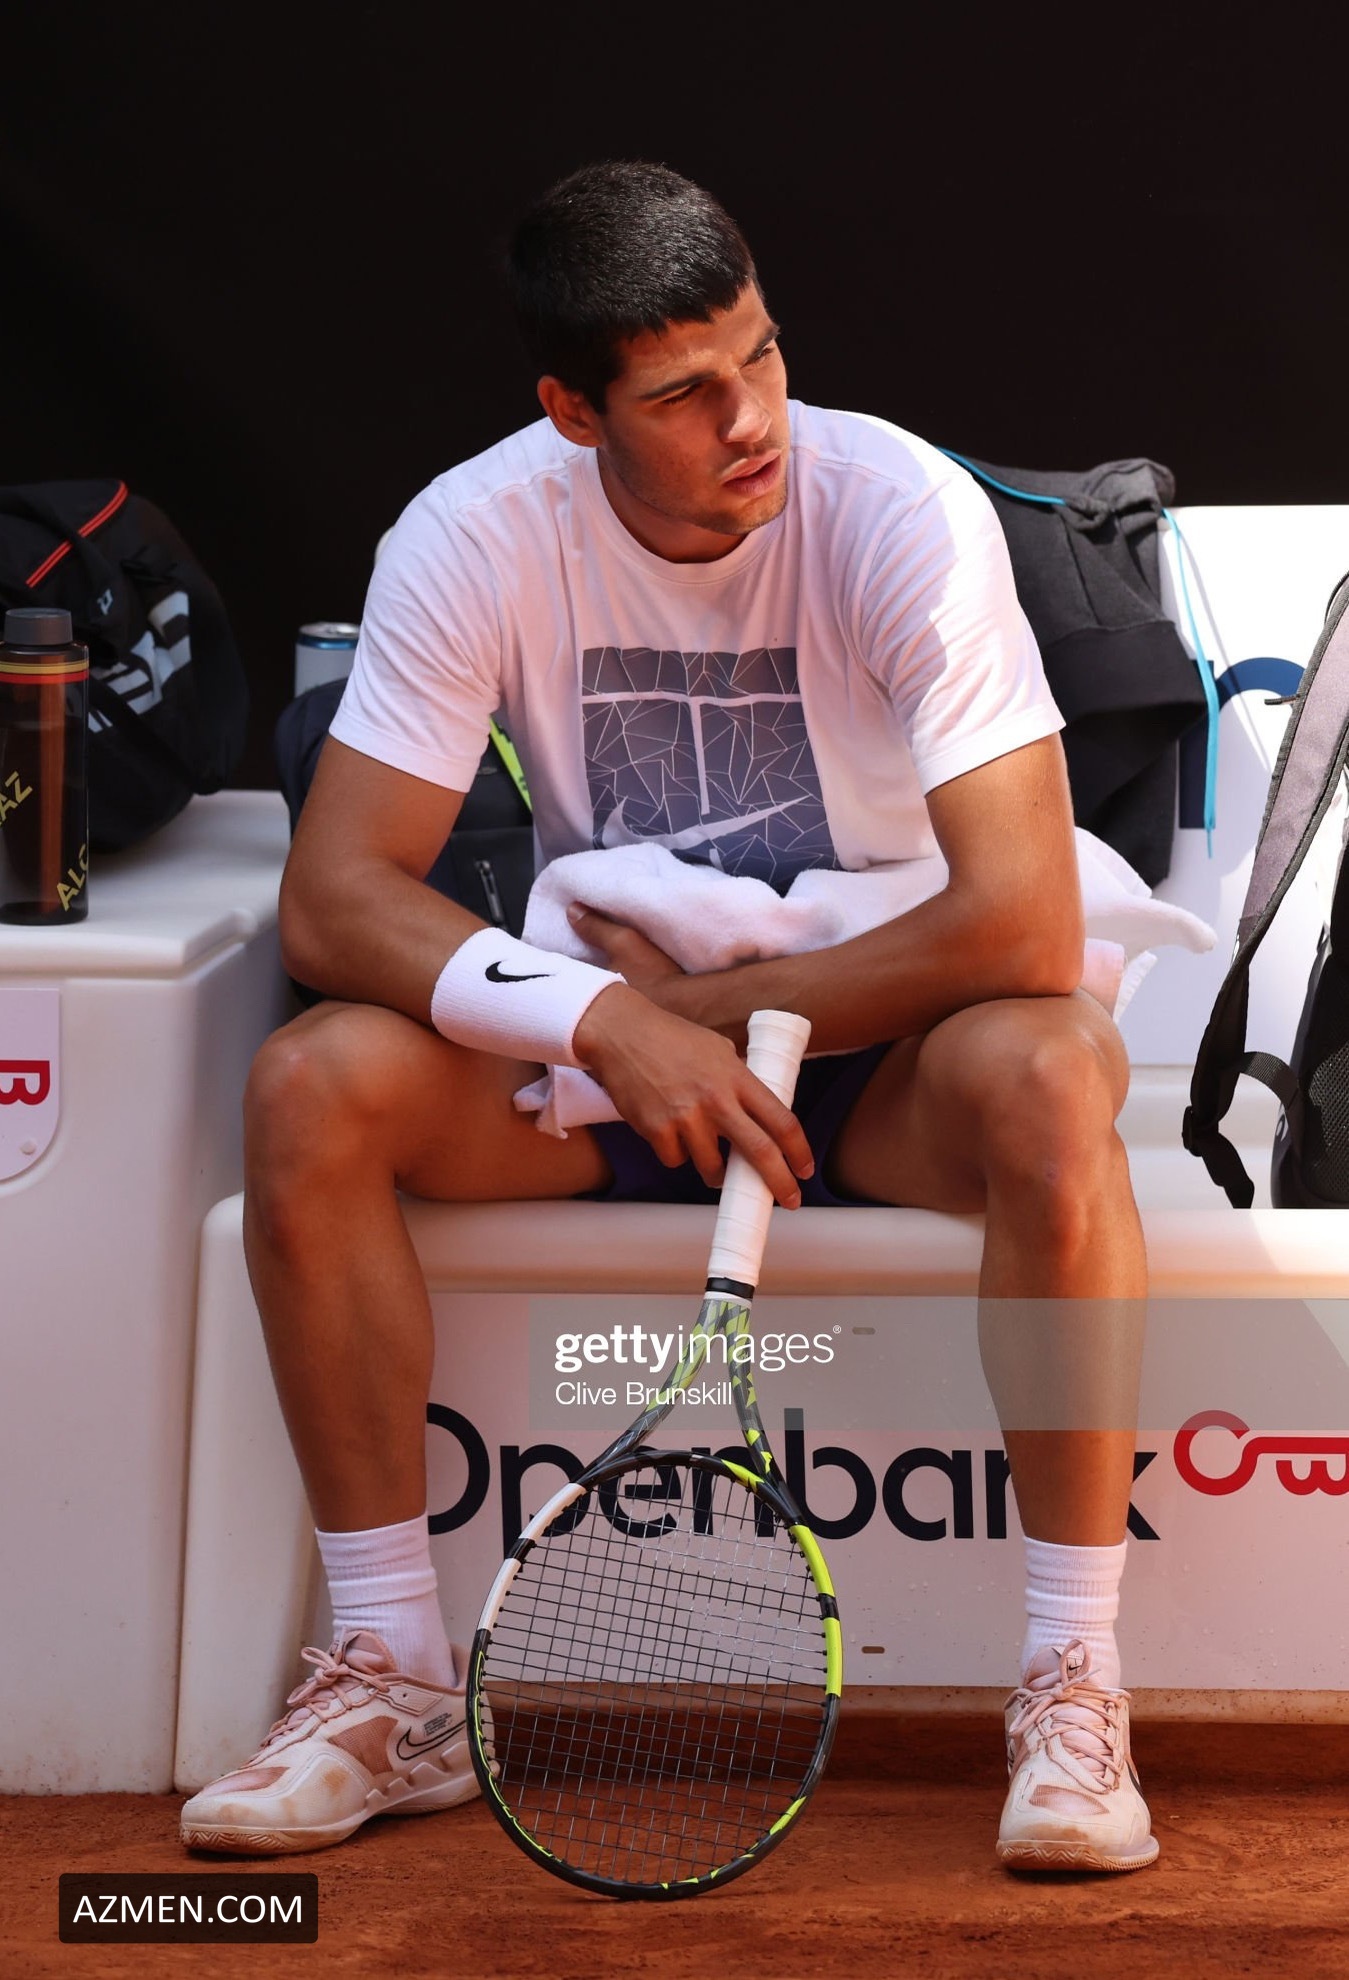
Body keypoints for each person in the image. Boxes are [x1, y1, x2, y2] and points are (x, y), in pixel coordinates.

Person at [181, 160, 1155, 1873]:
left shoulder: (897, 508)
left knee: (1058, 1073)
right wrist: (605, 1030)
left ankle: (1073, 1684)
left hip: (884, 1061)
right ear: (572, 412)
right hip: (615, 1076)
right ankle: (394, 1678)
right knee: (310, 1088)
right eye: (684, 393)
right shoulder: (473, 533)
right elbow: (336, 898)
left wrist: (683, 1011)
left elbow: (1018, 916)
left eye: (760, 355)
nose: (750, 417)